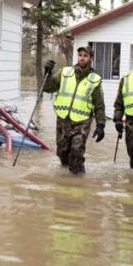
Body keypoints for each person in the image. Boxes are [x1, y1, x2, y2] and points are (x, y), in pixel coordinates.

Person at [43, 46, 106, 174]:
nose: (82, 58)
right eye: (80, 55)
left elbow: (99, 105)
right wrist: (47, 73)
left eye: (85, 55)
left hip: (82, 122)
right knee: (62, 153)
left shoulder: (95, 80)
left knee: (76, 153)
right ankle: (64, 182)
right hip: (63, 119)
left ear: (91, 59)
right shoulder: (65, 73)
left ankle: (78, 183)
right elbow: (48, 87)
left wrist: (101, 125)